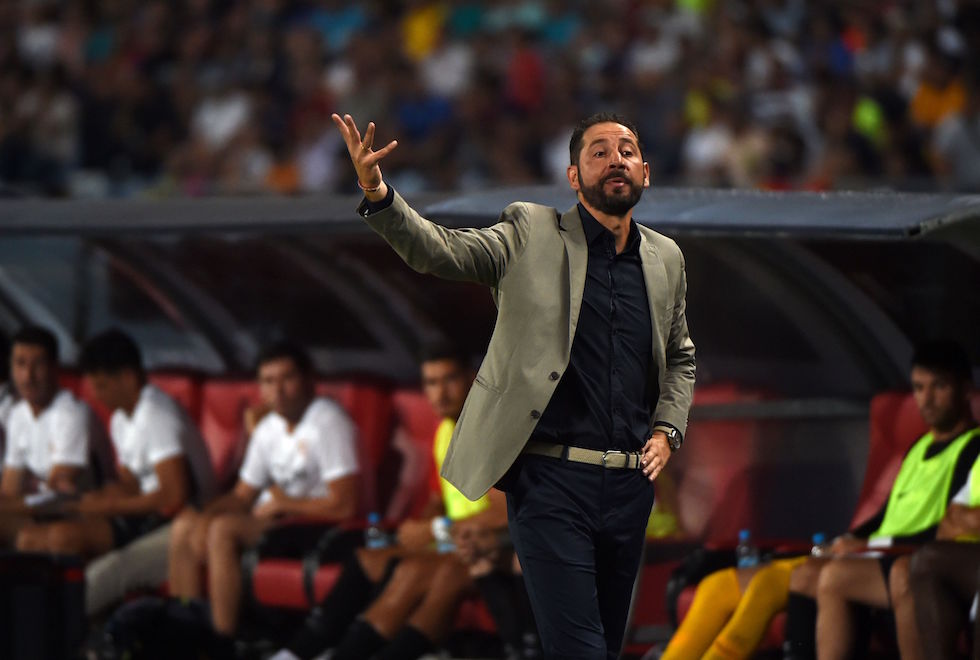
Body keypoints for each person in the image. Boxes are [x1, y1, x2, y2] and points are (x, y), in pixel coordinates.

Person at [331, 110, 696, 659]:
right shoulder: (531, 232)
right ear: (573, 177)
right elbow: (439, 249)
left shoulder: (665, 257)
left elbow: (681, 357)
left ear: (645, 171)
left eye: (626, 151)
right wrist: (377, 192)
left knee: (603, 647)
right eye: (598, 152)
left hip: (628, 486)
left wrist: (668, 430)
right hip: (550, 482)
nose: (615, 160)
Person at [276, 344, 510, 660]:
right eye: (431, 383)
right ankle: (298, 652)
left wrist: (434, 531)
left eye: (450, 379)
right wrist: (420, 526)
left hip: (484, 545)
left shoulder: (491, 432)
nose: (440, 393)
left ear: (473, 378)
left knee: (411, 572)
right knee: (367, 558)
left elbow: (502, 514)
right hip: (452, 539)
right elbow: (438, 498)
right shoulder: (445, 430)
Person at [780, 341, 980, 660]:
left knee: (845, 575)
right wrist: (850, 539)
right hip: (890, 550)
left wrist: (868, 544)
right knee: (807, 573)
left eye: (939, 387)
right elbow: (893, 512)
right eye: (919, 388)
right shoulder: (918, 446)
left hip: (913, 552)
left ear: (966, 390)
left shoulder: (971, 447)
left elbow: (946, 526)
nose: (926, 399)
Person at [167, 340, 360, 643]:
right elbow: (243, 495)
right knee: (185, 525)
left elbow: (345, 506)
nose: (278, 390)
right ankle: (186, 634)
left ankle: (221, 641)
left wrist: (287, 504)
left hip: (322, 528)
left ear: (309, 380)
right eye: (268, 381)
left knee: (223, 530)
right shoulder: (269, 426)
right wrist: (204, 513)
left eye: (287, 378)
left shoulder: (328, 421)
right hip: (280, 521)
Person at [14, 328, 215, 558]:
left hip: (177, 521)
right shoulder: (120, 419)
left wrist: (108, 507)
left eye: (101, 386)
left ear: (128, 378)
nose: (96, 396)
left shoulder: (156, 414)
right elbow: (131, 484)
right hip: (146, 517)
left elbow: (174, 495)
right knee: (30, 537)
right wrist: (93, 497)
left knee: (62, 539)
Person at [0, 325, 109, 546]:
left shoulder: (72, 413)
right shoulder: (18, 414)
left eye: (37, 365)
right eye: (20, 364)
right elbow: (10, 489)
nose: (28, 376)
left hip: (83, 516)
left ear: (54, 368)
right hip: (44, 514)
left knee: (29, 539)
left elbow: (57, 493)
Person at [909, 423, 980, 658]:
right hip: (971, 555)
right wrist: (969, 519)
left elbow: (960, 517)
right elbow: (948, 521)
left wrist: (967, 519)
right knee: (926, 561)